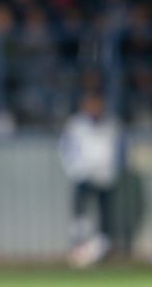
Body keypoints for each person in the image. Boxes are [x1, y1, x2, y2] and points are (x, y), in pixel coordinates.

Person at [58, 90, 123, 268]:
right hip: (83, 175)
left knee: (106, 216)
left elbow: (118, 150)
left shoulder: (111, 123)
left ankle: (101, 253)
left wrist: (113, 170)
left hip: (106, 177)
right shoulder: (75, 125)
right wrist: (74, 169)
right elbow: (65, 149)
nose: (95, 108)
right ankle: (78, 248)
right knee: (80, 213)